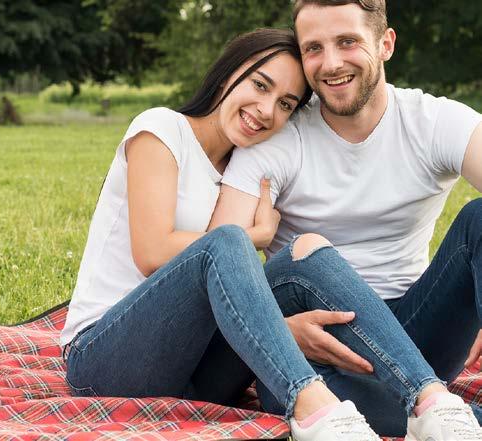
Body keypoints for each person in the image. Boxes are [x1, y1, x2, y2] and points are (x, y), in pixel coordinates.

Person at [60, 28, 383, 440]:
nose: (266, 110)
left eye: (285, 104)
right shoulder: (162, 129)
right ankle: (312, 404)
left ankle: (420, 396)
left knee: (299, 261)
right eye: (260, 85)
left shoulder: (242, 169)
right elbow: (152, 251)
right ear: (229, 72)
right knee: (227, 241)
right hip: (104, 360)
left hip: (193, 375)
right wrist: (255, 236)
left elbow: (228, 290)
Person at [209, 0, 482, 438]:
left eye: (347, 41)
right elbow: (219, 269)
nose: (332, 63)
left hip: (419, 330)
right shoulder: (278, 138)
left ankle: (432, 407)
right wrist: (279, 330)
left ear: (385, 44)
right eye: (314, 48)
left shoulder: (433, 121)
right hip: (320, 344)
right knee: (292, 379)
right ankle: (441, 415)